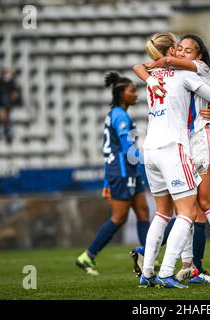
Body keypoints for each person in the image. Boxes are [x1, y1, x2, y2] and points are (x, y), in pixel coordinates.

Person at [132, 34, 210, 284]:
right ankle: (181, 267)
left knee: (194, 204)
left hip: (193, 139)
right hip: (179, 144)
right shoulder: (178, 74)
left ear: (198, 56)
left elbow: (140, 66)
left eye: (187, 50)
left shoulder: (193, 68)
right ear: (170, 50)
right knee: (188, 209)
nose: (182, 53)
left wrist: (154, 69)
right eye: (179, 48)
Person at [75, 72, 150, 275]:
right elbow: (127, 149)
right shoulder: (119, 115)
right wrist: (152, 159)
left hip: (127, 171)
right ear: (121, 94)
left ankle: (148, 259)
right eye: (132, 91)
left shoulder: (117, 114)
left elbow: (110, 148)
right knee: (119, 217)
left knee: (143, 212)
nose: (136, 94)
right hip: (123, 172)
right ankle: (87, 256)